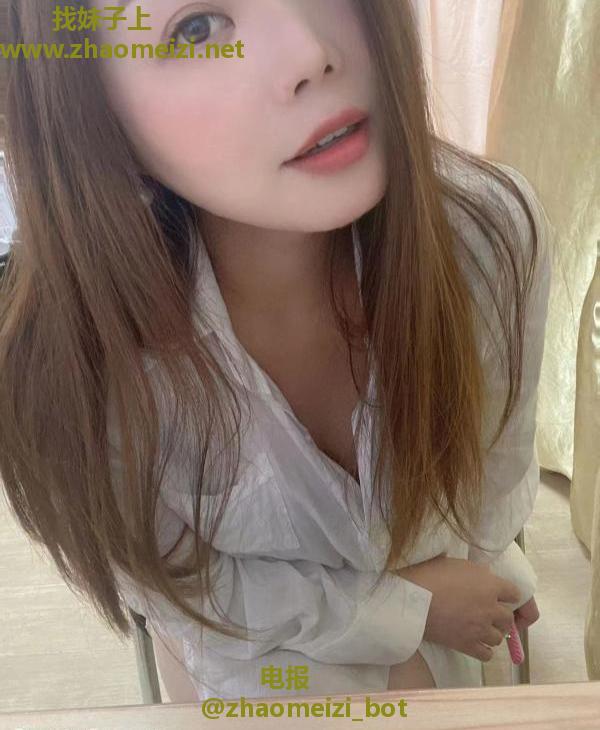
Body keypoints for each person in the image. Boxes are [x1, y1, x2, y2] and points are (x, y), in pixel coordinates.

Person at [0, 0, 551, 702]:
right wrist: (405, 610)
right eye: (196, 28)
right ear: (90, 114)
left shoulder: (489, 237)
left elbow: (494, 482)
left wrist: (468, 587)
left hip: (449, 595)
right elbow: (187, 594)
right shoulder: (78, 371)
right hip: (250, 650)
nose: (310, 53)